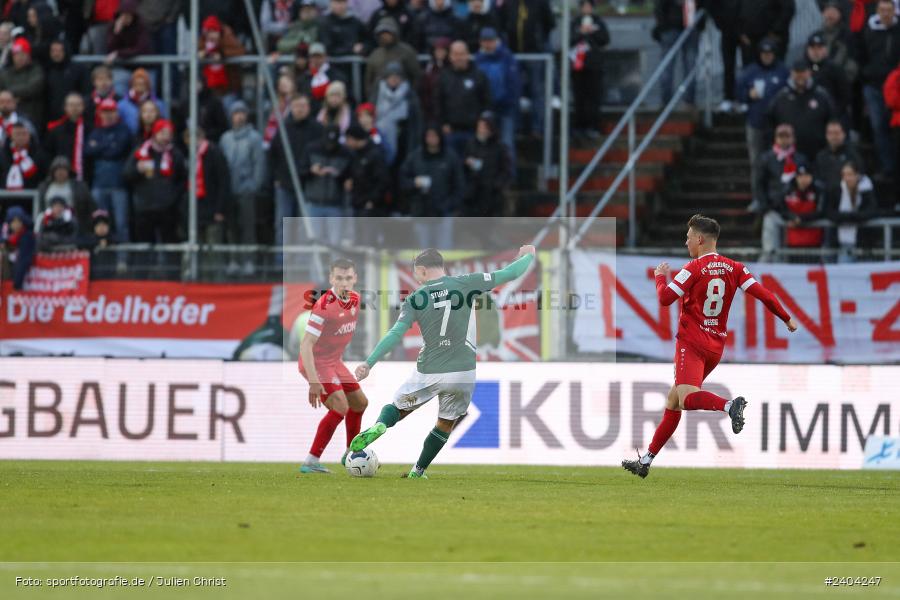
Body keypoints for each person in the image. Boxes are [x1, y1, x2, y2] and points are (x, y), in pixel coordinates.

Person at [622, 215, 797, 478]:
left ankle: (729, 406)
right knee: (673, 401)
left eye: (689, 237)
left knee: (686, 399)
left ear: (700, 239)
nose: (686, 242)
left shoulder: (693, 268)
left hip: (691, 344)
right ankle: (646, 460)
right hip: (715, 348)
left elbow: (665, 298)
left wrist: (659, 277)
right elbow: (764, 294)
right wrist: (786, 318)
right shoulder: (735, 268)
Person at [349, 246, 536, 478]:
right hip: (463, 372)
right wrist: (529, 254)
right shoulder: (467, 283)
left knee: (398, 408)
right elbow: (511, 273)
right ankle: (418, 471)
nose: (417, 277)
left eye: (417, 273)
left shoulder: (415, 299)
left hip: (429, 369)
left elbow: (395, 334)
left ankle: (381, 425)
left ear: (422, 270)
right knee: (446, 423)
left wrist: (369, 363)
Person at [298, 258, 369, 473]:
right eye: (339, 278)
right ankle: (311, 461)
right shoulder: (323, 307)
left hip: (334, 361)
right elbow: (306, 345)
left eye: (348, 278)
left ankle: (351, 453)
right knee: (340, 406)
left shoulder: (356, 299)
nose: (344, 283)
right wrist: (313, 381)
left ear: (355, 278)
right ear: (331, 279)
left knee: (360, 403)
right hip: (317, 363)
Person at [270, 94, 324, 247]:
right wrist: (277, 177)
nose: (299, 110)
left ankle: (302, 258)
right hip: (285, 183)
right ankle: (281, 258)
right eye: (296, 106)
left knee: (304, 225)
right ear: (291, 108)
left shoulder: (317, 129)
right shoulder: (284, 128)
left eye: (303, 106)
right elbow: (273, 154)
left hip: (309, 183)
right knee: (283, 222)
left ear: (308, 108)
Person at [400, 123, 465, 247]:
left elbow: (459, 185)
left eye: (434, 136)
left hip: (444, 213)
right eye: (429, 136)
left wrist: (450, 205)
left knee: (444, 250)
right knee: (423, 252)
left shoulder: (450, 157)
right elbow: (403, 180)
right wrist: (414, 183)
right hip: (421, 212)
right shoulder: (415, 157)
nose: (432, 139)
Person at [220, 100, 265, 277]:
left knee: (247, 226)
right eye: (235, 113)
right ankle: (234, 259)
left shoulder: (254, 138)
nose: (239, 117)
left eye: (242, 113)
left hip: (246, 190)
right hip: (229, 191)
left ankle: (249, 260)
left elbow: (259, 164)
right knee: (231, 227)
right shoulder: (225, 138)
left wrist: (254, 185)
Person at [124, 119, 187, 246]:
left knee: (169, 244)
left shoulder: (175, 154)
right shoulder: (141, 151)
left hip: (167, 208)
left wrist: (173, 196)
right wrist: (137, 170)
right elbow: (126, 174)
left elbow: (182, 179)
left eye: (168, 134)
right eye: (162, 133)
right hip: (144, 207)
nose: (165, 137)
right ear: (155, 133)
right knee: (145, 245)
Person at [751, 123, 808, 261]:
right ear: (775, 138)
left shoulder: (801, 159)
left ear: (793, 138)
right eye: (781, 136)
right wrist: (765, 206)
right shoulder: (766, 158)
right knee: (770, 249)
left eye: (787, 136)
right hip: (773, 209)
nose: (784, 139)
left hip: (795, 210)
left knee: (794, 250)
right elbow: (759, 184)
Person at [858, 0, 900, 178]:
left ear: (894, 11)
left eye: (889, 10)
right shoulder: (869, 30)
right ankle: (887, 167)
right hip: (873, 86)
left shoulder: (898, 31)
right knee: (878, 127)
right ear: (877, 11)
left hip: (895, 87)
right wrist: (866, 75)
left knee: (895, 129)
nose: (885, 14)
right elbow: (861, 55)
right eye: (882, 10)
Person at [736, 38, 788, 179]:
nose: (767, 56)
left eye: (769, 53)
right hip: (755, 122)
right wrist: (748, 94)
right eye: (764, 54)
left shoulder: (783, 71)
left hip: (777, 123)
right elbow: (738, 94)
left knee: (780, 161)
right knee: (756, 162)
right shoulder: (750, 71)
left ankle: (779, 191)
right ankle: (758, 192)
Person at [765, 60, 837, 161]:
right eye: (797, 72)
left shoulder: (821, 95)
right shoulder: (781, 97)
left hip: (818, 153)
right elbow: (769, 123)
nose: (800, 76)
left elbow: (833, 120)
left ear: (809, 73)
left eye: (803, 72)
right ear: (791, 73)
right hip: (788, 155)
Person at [84, 98, 132, 242]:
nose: (108, 115)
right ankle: (100, 252)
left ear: (117, 113)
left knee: (121, 223)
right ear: (100, 113)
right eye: (105, 112)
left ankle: (122, 255)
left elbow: (117, 149)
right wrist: (109, 144)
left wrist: (99, 146)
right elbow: (88, 150)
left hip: (119, 185)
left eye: (111, 111)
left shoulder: (123, 130)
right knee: (98, 222)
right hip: (99, 184)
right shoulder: (96, 131)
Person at [299, 124, 353, 246]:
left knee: (335, 241)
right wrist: (311, 171)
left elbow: (351, 175)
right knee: (313, 240)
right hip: (314, 202)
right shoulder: (311, 149)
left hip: (335, 203)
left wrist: (340, 176)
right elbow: (300, 171)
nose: (330, 146)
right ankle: (314, 260)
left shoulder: (345, 153)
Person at [437, 40, 491, 157]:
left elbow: (486, 101)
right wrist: (443, 123)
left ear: (468, 55)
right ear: (450, 56)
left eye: (462, 54)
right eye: (455, 54)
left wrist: (482, 124)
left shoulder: (478, 75)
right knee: (452, 162)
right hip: (451, 131)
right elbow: (438, 102)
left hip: (473, 131)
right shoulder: (444, 76)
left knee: (473, 163)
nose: (459, 58)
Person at [475, 27, 519, 165]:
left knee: (506, 142)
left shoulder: (507, 57)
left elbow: (513, 83)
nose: (488, 44)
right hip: (487, 108)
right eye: (485, 41)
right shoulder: (478, 59)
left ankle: (509, 173)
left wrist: (510, 101)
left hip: (505, 107)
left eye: (490, 40)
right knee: (485, 142)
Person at [570, 1, 609, 137]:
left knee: (594, 97)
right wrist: (581, 33)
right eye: (584, 6)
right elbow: (570, 40)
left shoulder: (599, 22)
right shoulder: (575, 22)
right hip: (578, 66)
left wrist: (592, 32)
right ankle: (580, 126)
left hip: (594, 65)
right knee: (579, 97)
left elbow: (605, 39)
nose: (587, 9)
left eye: (589, 6)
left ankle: (594, 126)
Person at [371, 61, 421, 167]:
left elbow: (416, 120)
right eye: (391, 76)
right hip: (381, 136)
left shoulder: (409, 94)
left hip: (404, 138)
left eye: (397, 76)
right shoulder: (377, 92)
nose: (394, 79)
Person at [652, 0, 700, 107]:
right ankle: (686, 101)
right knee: (685, 65)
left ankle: (668, 102)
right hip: (677, 26)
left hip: (680, 26)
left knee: (671, 66)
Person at [462, 111, 510, 217]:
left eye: (484, 127)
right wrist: (466, 163)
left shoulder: (500, 148)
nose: (480, 130)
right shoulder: (470, 144)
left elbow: (506, 170)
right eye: (479, 127)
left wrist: (496, 185)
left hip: (492, 195)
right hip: (473, 195)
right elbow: (463, 167)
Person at [829, 161, 877, 262]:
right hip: (844, 243)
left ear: (857, 175)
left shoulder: (866, 191)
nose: (847, 178)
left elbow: (871, 211)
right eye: (844, 175)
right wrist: (848, 216)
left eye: (850, 174)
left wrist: (851, 216)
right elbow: (829, 212)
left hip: (864, 243)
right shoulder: (837, 190)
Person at [36, 156, 95, 237]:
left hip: (72, 222)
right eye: (57, 169)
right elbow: (41, 207)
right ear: (53, 171)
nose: (60, 172)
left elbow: (89, 207)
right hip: (49, 222)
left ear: (68, 171)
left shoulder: (79, 187)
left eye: (63, 169)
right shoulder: (45, 186)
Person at [775, 162, 827, 253]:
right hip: (792, 240)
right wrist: (792, 217)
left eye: (806, 176)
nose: (803, 179)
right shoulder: (787, 191)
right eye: (800, 176)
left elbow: (820, 212)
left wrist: (801, 218)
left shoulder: (818, 191)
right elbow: (781, 210)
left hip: (814, 240)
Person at [345, 123, 390, 223]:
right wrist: (350, 180)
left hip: (371, 207)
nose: (346, 143)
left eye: (348, 139)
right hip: (358, 202)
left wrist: (372, 200)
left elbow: (383, 180)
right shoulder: (355, 153)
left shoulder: (375, 154)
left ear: (354, 138)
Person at [366, 17, 421, 97]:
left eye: (387, 33)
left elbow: (416, 76)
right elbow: (369, 81)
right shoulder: (375, 54)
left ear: (394, 33)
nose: (385, 36)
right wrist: (371, 97)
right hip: (380, 98)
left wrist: (411, 94)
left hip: (404, 96)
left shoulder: (407, 52)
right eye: (382, 34)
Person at [805, 31, 850, 121]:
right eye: (813, 48)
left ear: (825, 50)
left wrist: (833, 115)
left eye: (819, 48)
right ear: (808, 50)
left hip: (831, 118)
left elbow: (844, 96)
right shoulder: (802, 68)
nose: (816, 52)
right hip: (807, 117)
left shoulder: (835, 69)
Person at [0, 37, 45, 128]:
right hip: (7, 117)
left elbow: (33, 88)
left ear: (28, 55)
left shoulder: (36, 70)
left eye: (23, 54)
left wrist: (10, 94)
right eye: (16, 55)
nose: (19, 57)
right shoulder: (6, 73)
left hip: (31, 115)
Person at [44, 39, 91, 124]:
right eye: (53, 51)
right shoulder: (47, 70)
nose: (56, 54)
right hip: (53, 118)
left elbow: (86, 92)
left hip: (75, 117)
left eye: (59, 50)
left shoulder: (79, 69)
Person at [44, 93, 88, 181]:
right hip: (60, 177)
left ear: (83, 107)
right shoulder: (56, 130)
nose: (74, 108)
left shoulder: (89, 129)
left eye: (78, 105)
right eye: (71, 105)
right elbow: (47, 153)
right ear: (65, 107)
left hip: (85, 176)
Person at [319, 0, 369, 75]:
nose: (339, 6)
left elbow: (369, 40)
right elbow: (328, 48)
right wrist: (351, 49)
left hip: (355, 69)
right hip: (333, 69)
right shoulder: (325, 23)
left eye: (342, 2)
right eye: (337, 2)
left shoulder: (355, 21)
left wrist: (363, 47)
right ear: (331, 3)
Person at [814, 120, 864, 194]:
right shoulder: (821, 156)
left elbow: (861, 174)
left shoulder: (853, 154)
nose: (833, 137)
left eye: (836, 133)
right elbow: (817, 179)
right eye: (830, 133)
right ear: (826, 135)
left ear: (843, 134)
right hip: (828, 196)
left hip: (849, 194)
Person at [117, 68, 169, 136]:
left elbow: (164, 124)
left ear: (148, 85)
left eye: (143, 83)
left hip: (154, 136)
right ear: (132, 84)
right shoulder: (122, 105)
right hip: (129, 138)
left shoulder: (158, 104)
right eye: (137, 83)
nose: (139, 86)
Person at [1, 122, 47, 190]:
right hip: (5, 194)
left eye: (24, 134)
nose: (21, 137)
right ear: (11, 136)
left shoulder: (38, 154)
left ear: (29, 135)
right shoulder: (3, 154)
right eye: (18, 134)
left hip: (32, 193)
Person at [1, 204, 35, 289]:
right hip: (8, 279)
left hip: (22, 281)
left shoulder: (27, 237)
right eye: (13, 222)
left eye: (18, 221)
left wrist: (16, 284)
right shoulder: (8, 238)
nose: (16, 224)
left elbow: (23, 260)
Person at [420, 36, 450, 122]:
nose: (439, 53)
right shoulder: (430, 68)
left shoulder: (452, 68)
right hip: (431, 110)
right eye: (437, 50)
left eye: (442, 50)